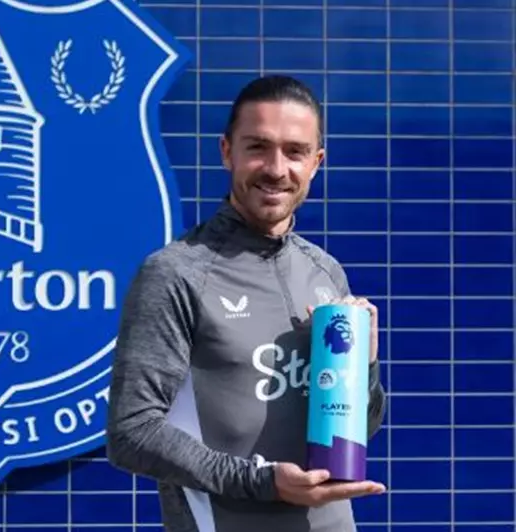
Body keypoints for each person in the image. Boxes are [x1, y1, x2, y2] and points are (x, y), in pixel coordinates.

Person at [105, 75, 387, 532]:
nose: (276, 169)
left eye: (295, 152)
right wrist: (264, 482)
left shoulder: (325, 272)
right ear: (226, 151)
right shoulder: (176, 273)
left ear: (316, 162)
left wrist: (365, 369)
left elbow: (358, 431)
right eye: (258, 147)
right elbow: (131, 433)